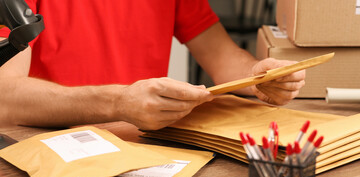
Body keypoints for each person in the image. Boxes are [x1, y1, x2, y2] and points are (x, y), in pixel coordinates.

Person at [0, 0, 305, 130]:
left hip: (143, 148)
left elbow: (223, 57)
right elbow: (6, 96)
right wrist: (117, 103)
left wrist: (257, 76)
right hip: (45, 148)